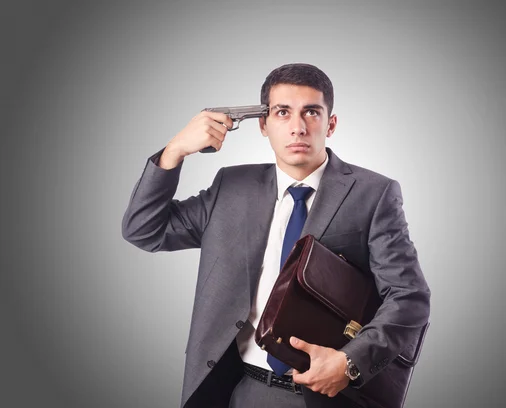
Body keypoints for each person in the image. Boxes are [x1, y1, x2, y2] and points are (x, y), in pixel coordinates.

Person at [122, 63, 430, 408]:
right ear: (263, 125)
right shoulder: (231, 187)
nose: (298, 127)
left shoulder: (373, 194)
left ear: (331, 124)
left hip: (330, 397)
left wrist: (350, 363)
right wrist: (174, 151)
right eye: (283, 112)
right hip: (241, 392)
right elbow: (144, 229)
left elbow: (408, 297)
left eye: (311, 112)